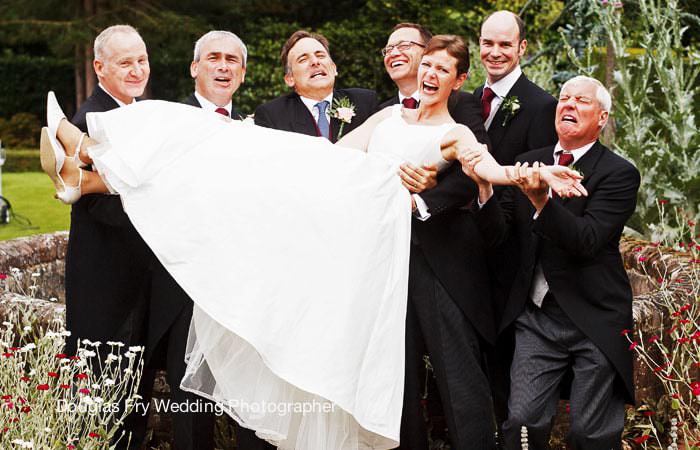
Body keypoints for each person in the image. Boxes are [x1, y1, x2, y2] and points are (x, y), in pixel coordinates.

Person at [40, 35, 584, 450]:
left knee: (230, 152)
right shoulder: (385, 115)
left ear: (456, 81)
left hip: (381, 236)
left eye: (442, 69)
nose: (430, 75)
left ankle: (86, 159)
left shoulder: (457, 132)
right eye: (426, 68)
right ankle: (85, 160)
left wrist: (531, 175)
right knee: (221, 148)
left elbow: (485, 168)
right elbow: (339, 155)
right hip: (347, 203)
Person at [461, 75, 639, 449]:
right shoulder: (528, 162)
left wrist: (542, 203)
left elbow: (587, 241)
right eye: (564, 98)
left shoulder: (619, 173)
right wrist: (485, 188)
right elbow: (499, 235)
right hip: (537, 318)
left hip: (594, 316)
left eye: (581, 101)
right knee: (522, 422)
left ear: (602, 118)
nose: (568, 105)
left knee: (590, 433)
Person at [63, 25, 215, 449]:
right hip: (108, 292)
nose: (136, 70)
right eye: (125, 62)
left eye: (141, 60)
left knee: (133, 404)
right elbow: (98, 204)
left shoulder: (141, 115)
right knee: (105, 407)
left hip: (141, 288)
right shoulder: (88, 122)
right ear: (100, 68)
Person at [475, 12, 560, 435]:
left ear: (522, 48)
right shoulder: (471, 100)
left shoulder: (542, 105)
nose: (495, 52)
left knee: (510, 359)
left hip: (515, 253)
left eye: (505, 45)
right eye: (488, 43)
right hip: (476, 247)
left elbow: (538, 179)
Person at [254, 30, 378, 142]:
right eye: (303, 59)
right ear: (290, 79)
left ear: (334, 68)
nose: (315, 62)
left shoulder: (365, 102)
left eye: (320, 56)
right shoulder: (272, 116)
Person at [183, 30, 247, 119]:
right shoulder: (170, 120)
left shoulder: (251, 127)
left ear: (243, 73)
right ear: (195, 68)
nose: (223, 67)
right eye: (213, 58)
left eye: (231, 60)